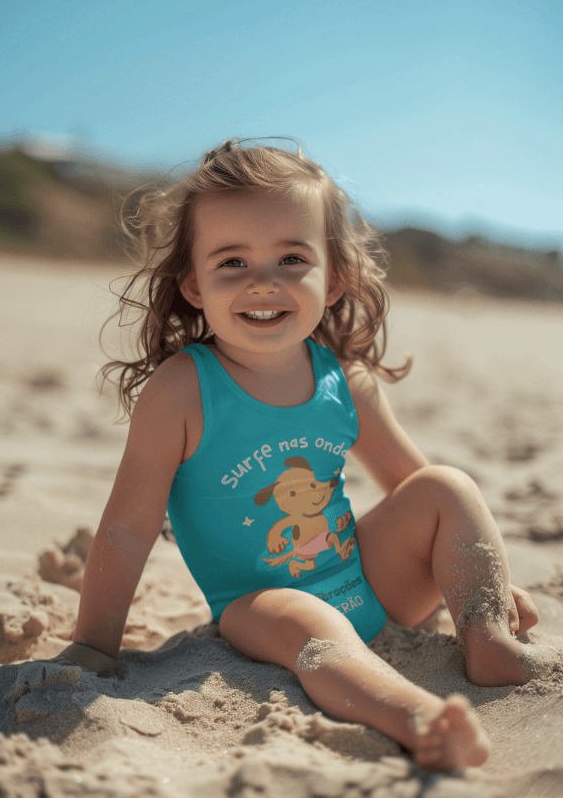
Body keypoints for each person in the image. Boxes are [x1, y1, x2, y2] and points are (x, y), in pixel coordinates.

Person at [54, 137, 545, 771]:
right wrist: (94, 647)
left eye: (291, 257)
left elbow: (412, 487)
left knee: (448, 485)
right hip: (261, 608)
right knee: (311, 623)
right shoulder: (181, 389)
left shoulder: (345, 379)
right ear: (194, 285)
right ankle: (416, 716)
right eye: (232, 262)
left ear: (334, 278)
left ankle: (488, 639)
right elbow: (128, 525)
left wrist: (483, 583)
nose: (264, 281)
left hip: (371, 583)